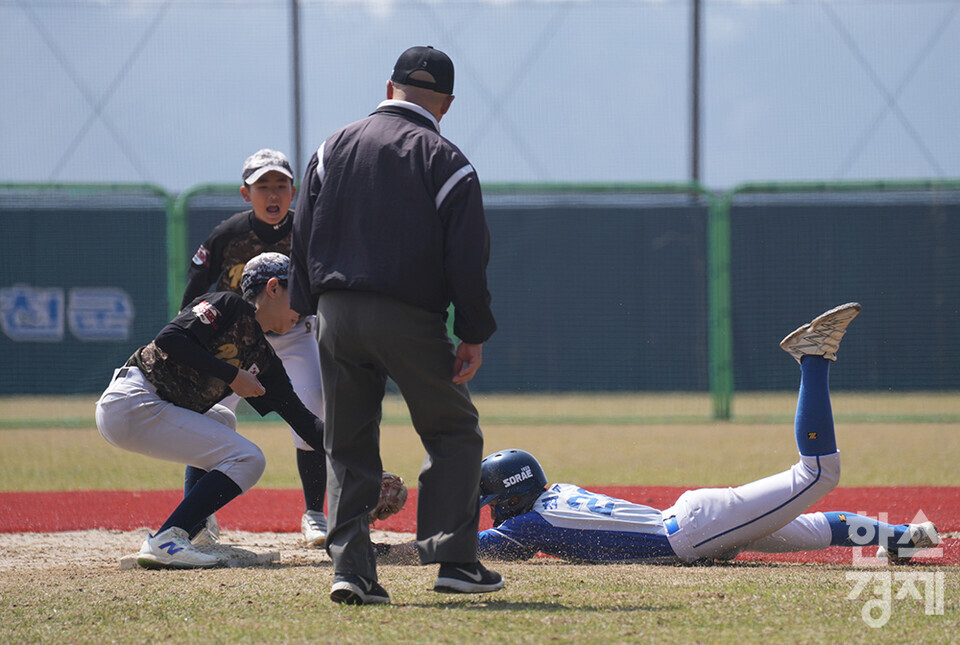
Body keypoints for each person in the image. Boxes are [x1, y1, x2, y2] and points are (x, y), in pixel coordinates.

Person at [375, 303, 941, 567]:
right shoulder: (548, 501)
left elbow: (455, 550)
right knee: (816, 526)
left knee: (818, 476)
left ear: (511, 498)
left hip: (691, 531)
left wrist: (376, 554)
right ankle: (900, 539)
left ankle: (811, 360)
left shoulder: (530, 524)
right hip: (694, 525)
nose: (493, 512)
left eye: (492, 501)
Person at [289, 45, 501, 605]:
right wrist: (473, 331)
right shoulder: (446, 159)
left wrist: (308, 305)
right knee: (452, 431)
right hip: (408, 316)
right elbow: (467, 257)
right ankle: (452, 558)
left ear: (389, 89)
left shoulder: (331, 147)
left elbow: (303, 233)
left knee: (347, 444)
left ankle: (352, 572)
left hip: (334, 311)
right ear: (447, 104)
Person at [95, 253, 326, 569]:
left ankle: (192, 530)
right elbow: (170, 338)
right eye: (298, 292)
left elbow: (304, 422)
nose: (305, 306)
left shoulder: (264, 357)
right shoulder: (228, 305)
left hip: (146, 408)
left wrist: (363, 465)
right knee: (250, 458)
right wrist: (232, 375)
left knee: (222, 418)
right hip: (131, 401)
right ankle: (166, 539)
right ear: (273, 288)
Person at [182, 149, 328, 548]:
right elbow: (194, 293)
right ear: (246, 194)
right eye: (263, 185)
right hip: (234, 340)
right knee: (210, 417)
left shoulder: (309, 230)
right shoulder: (227, 235)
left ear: (294, 190)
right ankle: (197, 516)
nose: (273, 192)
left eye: (280, 184)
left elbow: (328, 282)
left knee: (313, 405)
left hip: (294, 335)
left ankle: (315, 514)